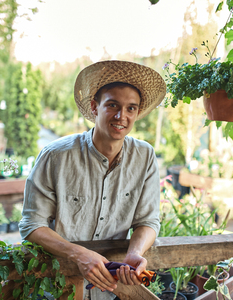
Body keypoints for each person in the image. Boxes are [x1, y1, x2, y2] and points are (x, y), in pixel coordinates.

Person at [19, 60, 166, 300]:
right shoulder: (55, 155)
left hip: (108, 290)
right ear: (94, 107)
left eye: (131, 108)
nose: (121, 116)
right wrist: (79, 254)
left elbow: (148, 221)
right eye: (112, 105)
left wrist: (135, 252)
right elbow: (32, 225)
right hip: (57, 286)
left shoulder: (145, 156)